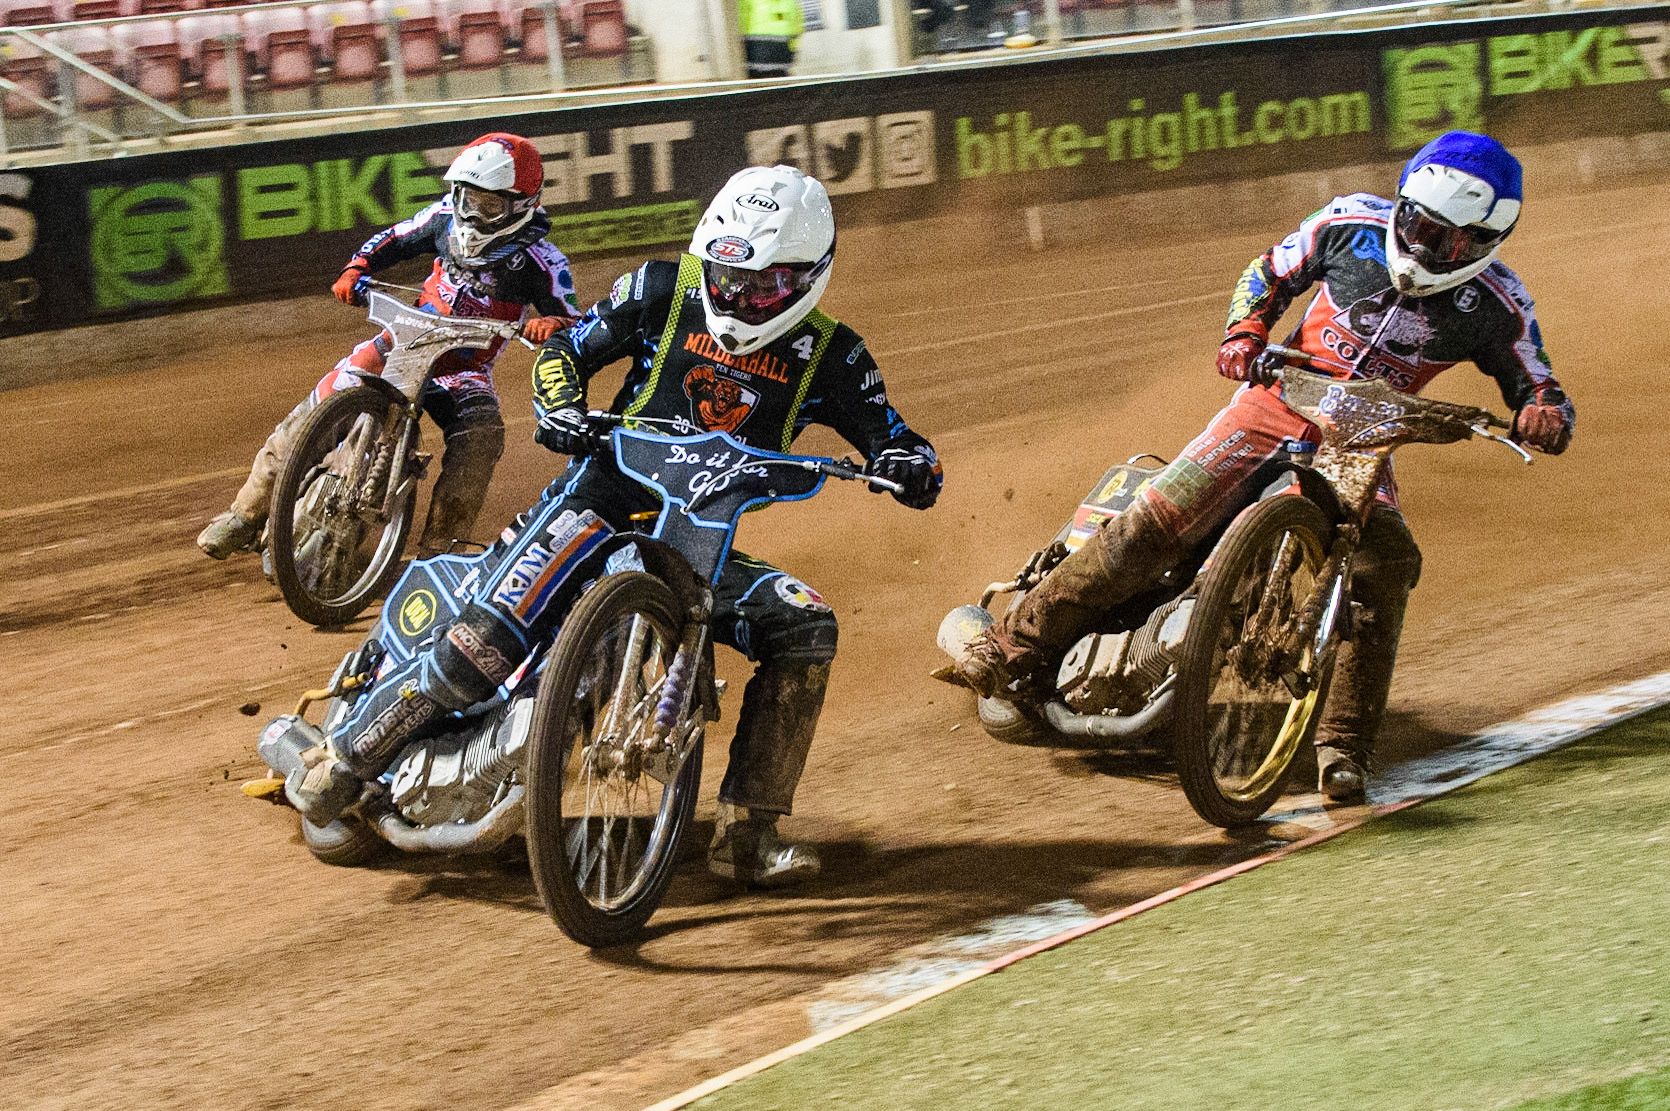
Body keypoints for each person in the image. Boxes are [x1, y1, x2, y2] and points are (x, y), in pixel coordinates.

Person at [288, 164, 943, 887]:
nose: (742, 298)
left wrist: (910, 465)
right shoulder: (661, 289)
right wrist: (560, 405)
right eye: (730, 278)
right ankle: (347, 757)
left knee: (807, 623)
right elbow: (567, 349)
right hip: (598, 496)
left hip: (697, 541)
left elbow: (895, 436)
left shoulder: (835, 355)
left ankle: (748, 833)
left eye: (766, 286)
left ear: (811, 276)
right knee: (485, 639)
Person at [946, 131, 1574, 803]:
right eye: (1419, 226)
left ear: (1486, 241)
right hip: (1275, 400)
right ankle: (1015, 646)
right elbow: (1268, 274)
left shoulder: (1502, 304)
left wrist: (1545, 412)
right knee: (1150, 522)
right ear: (1401, 205)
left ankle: (1344, 746)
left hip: (1364, 440)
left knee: (1383, 562)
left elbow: (1540, 381)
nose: (1426, 249)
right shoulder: (1345, 223)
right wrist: (1244, 332)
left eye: (1451, 242)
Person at [196, 133, 580, 564]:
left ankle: (441, 553)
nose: (471, 211)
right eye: (466, 197)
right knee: (318, 405)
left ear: (521, 203)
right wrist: (356, 268)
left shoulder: (544, 262)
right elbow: (393, 239)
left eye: (487, 204)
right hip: (403, 341)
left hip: (464, 371)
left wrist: (552, 325)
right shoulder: (443, 219)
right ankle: (246, 513)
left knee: (482, 438)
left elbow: (575, 324)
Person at [737, 0, 804, 78]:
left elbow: (740, 24)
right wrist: (792, 51)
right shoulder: (791, 2)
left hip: (755, 61)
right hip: (782, 61)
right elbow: (797, 28)